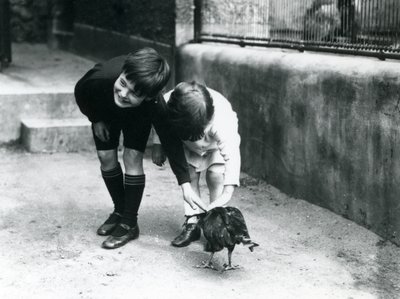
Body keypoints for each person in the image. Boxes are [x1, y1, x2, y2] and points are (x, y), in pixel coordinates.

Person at [74, 48, 206, 249]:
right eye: (123, 83)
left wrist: (185, 184)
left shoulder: (154, 104)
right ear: (122, 74)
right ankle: (119, 210)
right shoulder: (101, 77)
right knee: (105, 157)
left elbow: (170, 141)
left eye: (134, 93)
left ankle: (128, 223)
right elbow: (81, 92)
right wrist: (96, 118)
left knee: (132, 157)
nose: (124, 93)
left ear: (149, 96)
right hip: (104, 110)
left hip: (137, 117)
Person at [152, 81, 241, 247]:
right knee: (190, 174)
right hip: (186, 144)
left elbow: (232, 155)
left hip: (214, 145)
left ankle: (216, 225)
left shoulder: (222, 119)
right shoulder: (167, 104)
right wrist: (158, 144)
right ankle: (192, 222)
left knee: (216, 175)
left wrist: (228, 192)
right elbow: (160, 125)